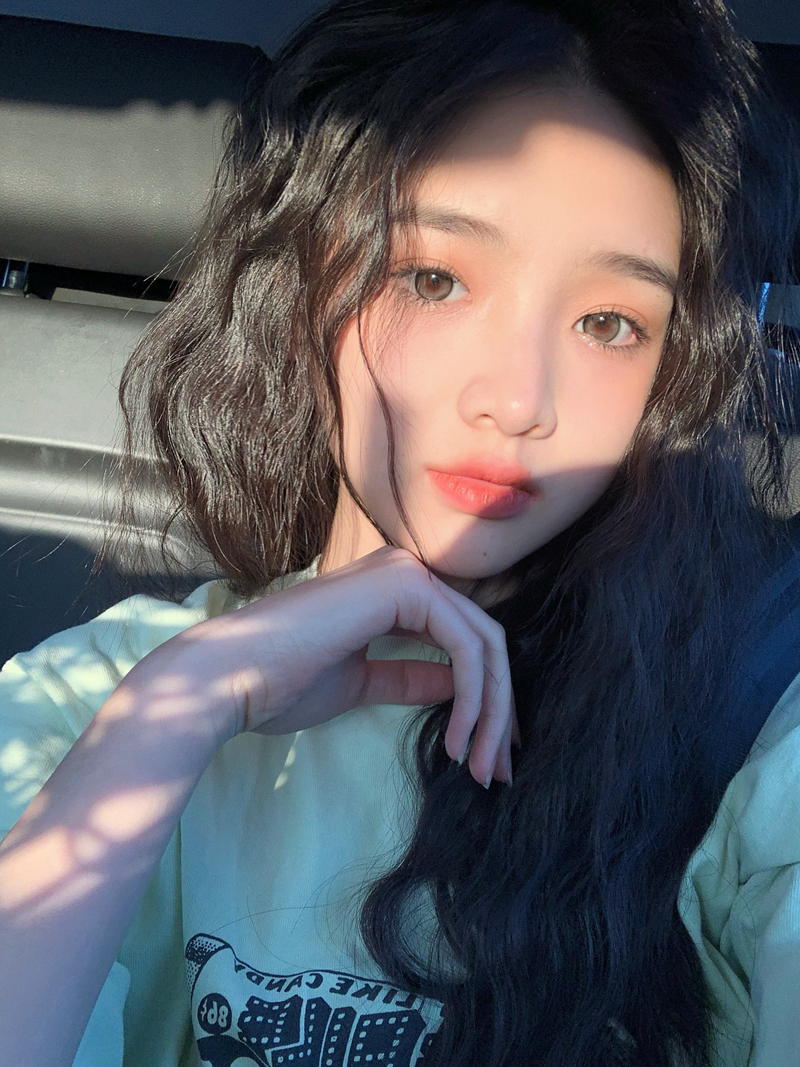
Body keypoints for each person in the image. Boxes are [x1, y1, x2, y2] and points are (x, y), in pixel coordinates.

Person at [1, 0, 800, 1064]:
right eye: (434, 278)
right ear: (306, 281)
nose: (518, 400)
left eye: (608, 323)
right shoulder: (102, 694)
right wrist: (167, 717)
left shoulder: (755, 740)